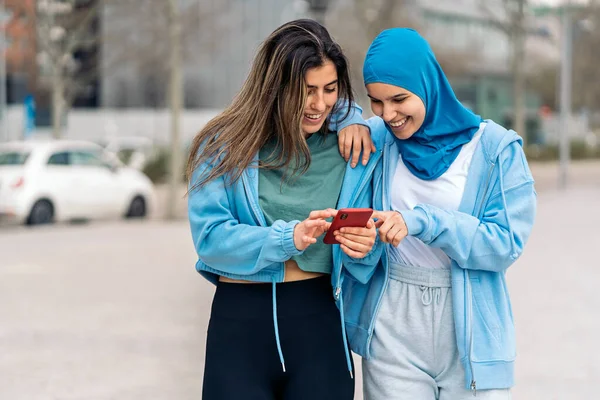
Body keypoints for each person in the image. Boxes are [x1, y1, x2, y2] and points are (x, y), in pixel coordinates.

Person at [339, 28, 537, 399]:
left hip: (471, 327)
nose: (388, 115)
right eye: (376, 102)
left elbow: (505, 244)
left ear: (428, 83)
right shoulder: (377, 139)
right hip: (393, 325)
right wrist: (350, 117)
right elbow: (323, 110)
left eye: (399, 99)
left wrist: (424, 221)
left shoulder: (496, 149)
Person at [186, 19, 379, 400]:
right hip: (239, 331)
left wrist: (365, 246)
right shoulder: (222, 146)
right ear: (276, 87)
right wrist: (287, 238)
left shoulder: (353, 150)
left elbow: (366, 258)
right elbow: (210, 239)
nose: (319, 104)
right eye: (306, 91)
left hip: (320, 329)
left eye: (330, 90)